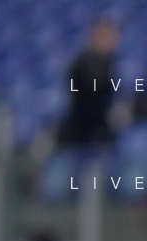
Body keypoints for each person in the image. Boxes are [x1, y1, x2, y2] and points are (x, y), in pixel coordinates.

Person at [57, 18, 119, 147]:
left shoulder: (110, 63)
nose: (108, 41)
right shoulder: (84, 62)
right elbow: (92, 89)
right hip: (81, 129)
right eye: (103, 36)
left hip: (98, 130)